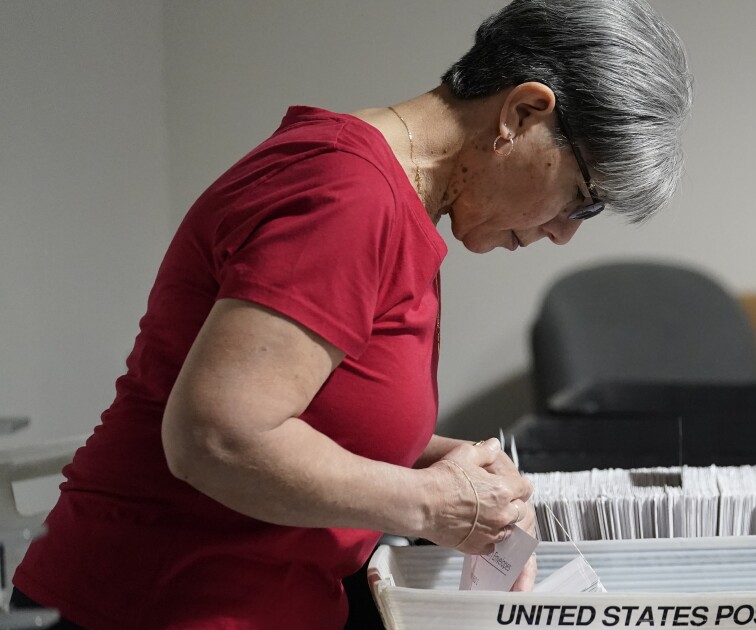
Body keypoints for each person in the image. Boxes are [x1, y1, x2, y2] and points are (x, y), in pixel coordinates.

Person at [11, 0, 692, 628]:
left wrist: (444, 465)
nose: (566, 233)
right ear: (523, 113)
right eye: (583, 198)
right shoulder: (349, 195)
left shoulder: (392, 196)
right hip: (155, 604)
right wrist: (434, 505)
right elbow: (216, 437)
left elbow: (306, 413)